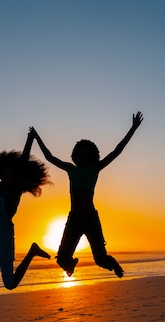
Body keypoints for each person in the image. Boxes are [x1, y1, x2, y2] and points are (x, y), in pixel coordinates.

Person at [32, 111, 143, 278]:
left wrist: (133, 128)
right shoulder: (71, 169)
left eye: (86, 154)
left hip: (90, 218)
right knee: (61, 259)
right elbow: (49, 157)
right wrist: (36, 137)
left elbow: (117, 151)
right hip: (75, 218)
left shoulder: (95, 169)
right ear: (75, 155)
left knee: (100, 259)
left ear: (92, 156)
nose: (83, 156)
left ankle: (113, 264)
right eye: (80, 154)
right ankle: (70, 264)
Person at [0, 127, 52, 290]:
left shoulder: (14, 192)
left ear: (15, 179)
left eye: (10, 176)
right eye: (4, 175)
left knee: (10, 284)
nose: (6, 178)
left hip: (4, 236)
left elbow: (22, 166)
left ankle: (32, 252)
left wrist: (30, 139)